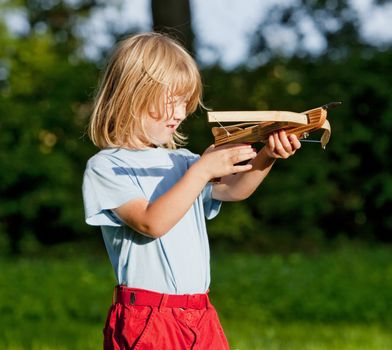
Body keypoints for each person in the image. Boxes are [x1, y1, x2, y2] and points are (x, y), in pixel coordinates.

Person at [82, 32, 301, 350]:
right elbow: (150, 223)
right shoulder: (107, 166)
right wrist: (203, 170)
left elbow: (234, 191)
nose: (180, 112)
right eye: (171, 100)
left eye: (185, 101)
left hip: (200, 315)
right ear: (133, 95)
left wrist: (267, 155)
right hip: (147, 318)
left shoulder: (183, 162)